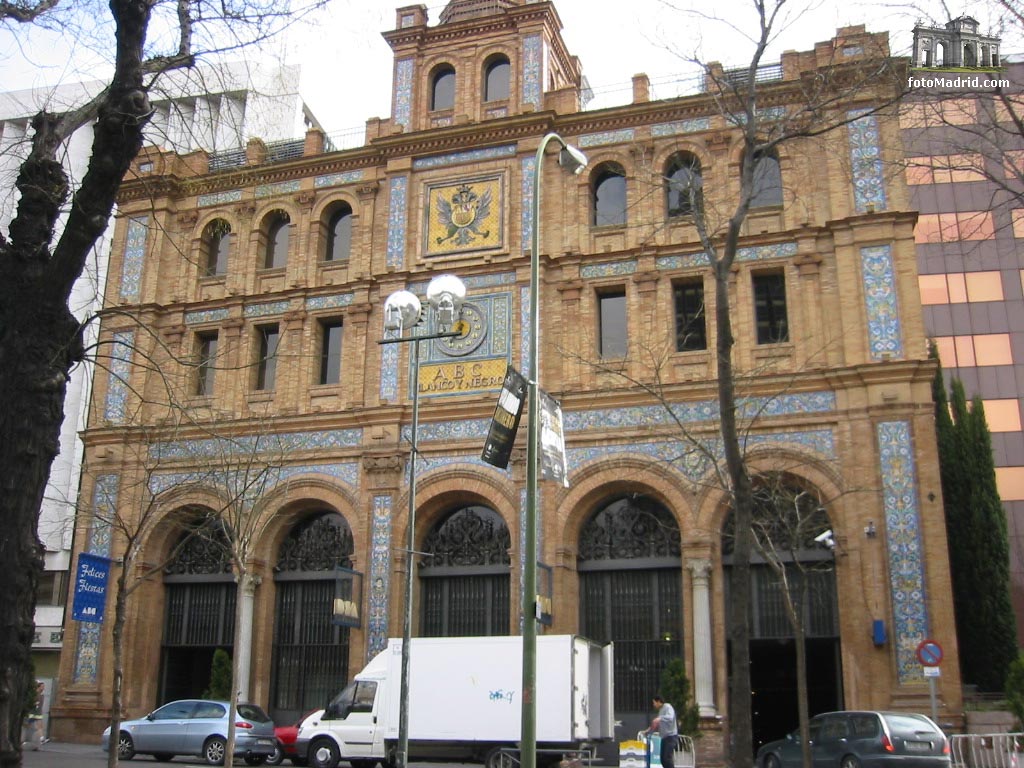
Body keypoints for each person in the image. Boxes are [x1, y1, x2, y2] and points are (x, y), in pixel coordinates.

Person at [645, 694, 678, 768]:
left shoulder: (667, 707)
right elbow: (657, 724)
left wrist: (659, 718)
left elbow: (670, 717)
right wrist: (649, 730)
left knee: (667, 758)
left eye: (654, 703)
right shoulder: (660, 711)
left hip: (671, 736)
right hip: (664, 737)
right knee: (662, 759)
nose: (653, 705)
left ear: (659, 701)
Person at [23, 682, 44, 751]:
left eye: (44, 686)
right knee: (27, 726)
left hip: (38, 713)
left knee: (39, 726)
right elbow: (31, 702)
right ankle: (23, 740)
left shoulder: (42, 695)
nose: (43, 688)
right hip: (31, 713)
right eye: (42, 686)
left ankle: (41, 739)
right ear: (38, 687)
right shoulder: (34, 694)